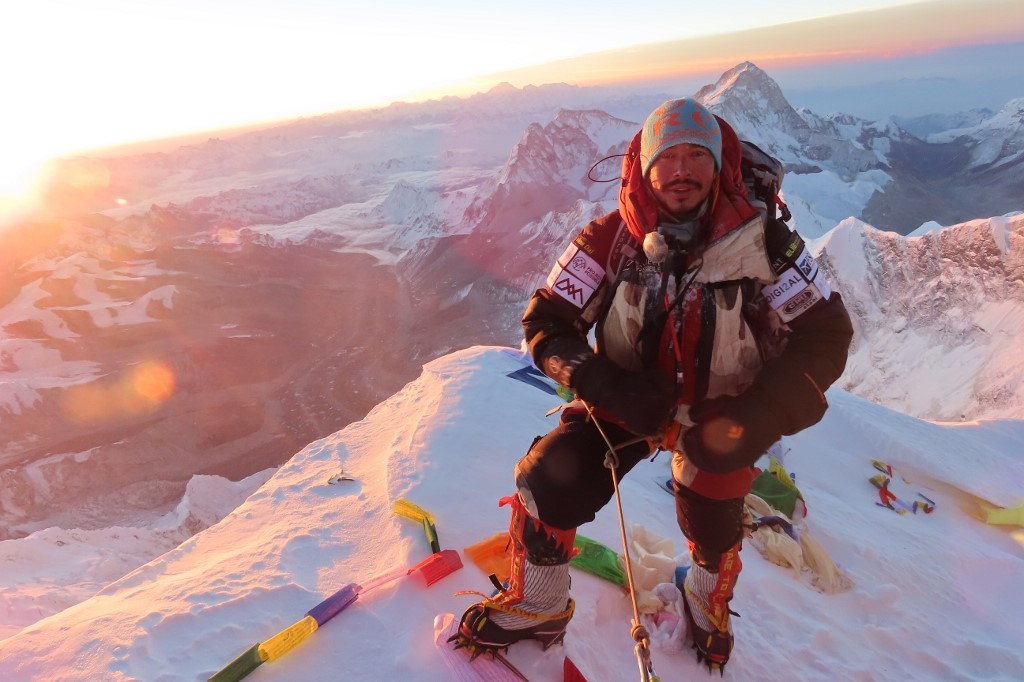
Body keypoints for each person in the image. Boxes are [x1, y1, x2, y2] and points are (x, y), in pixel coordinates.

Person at [452, 97, 854, 672]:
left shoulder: (767, 244)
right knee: (548, 478)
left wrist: (758, 419)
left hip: (726, 409)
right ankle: (537, 603)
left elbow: (826, 337)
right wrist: (603, 385)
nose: (682, 171)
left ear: (721, 166)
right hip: (623, 401)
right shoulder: (607, 240)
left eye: (697, 155)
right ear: (642, 167)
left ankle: (705, 598)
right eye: (668, 158)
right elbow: (546, 325)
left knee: (713, 510)